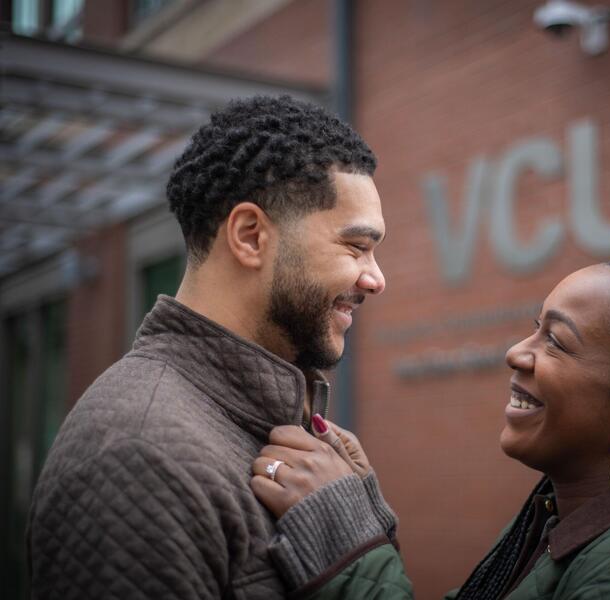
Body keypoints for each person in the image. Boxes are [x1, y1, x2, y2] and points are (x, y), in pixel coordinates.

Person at [27, 95, 387, 599]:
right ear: (249, 235)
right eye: (356, 246)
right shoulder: (139, 458)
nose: (376, 279)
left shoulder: (274, 428)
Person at [252, 260, 610, 599]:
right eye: (534, 328)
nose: (516, 352)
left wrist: (347, 542)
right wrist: (363, 511)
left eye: (556, 341)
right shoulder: (558, 520)